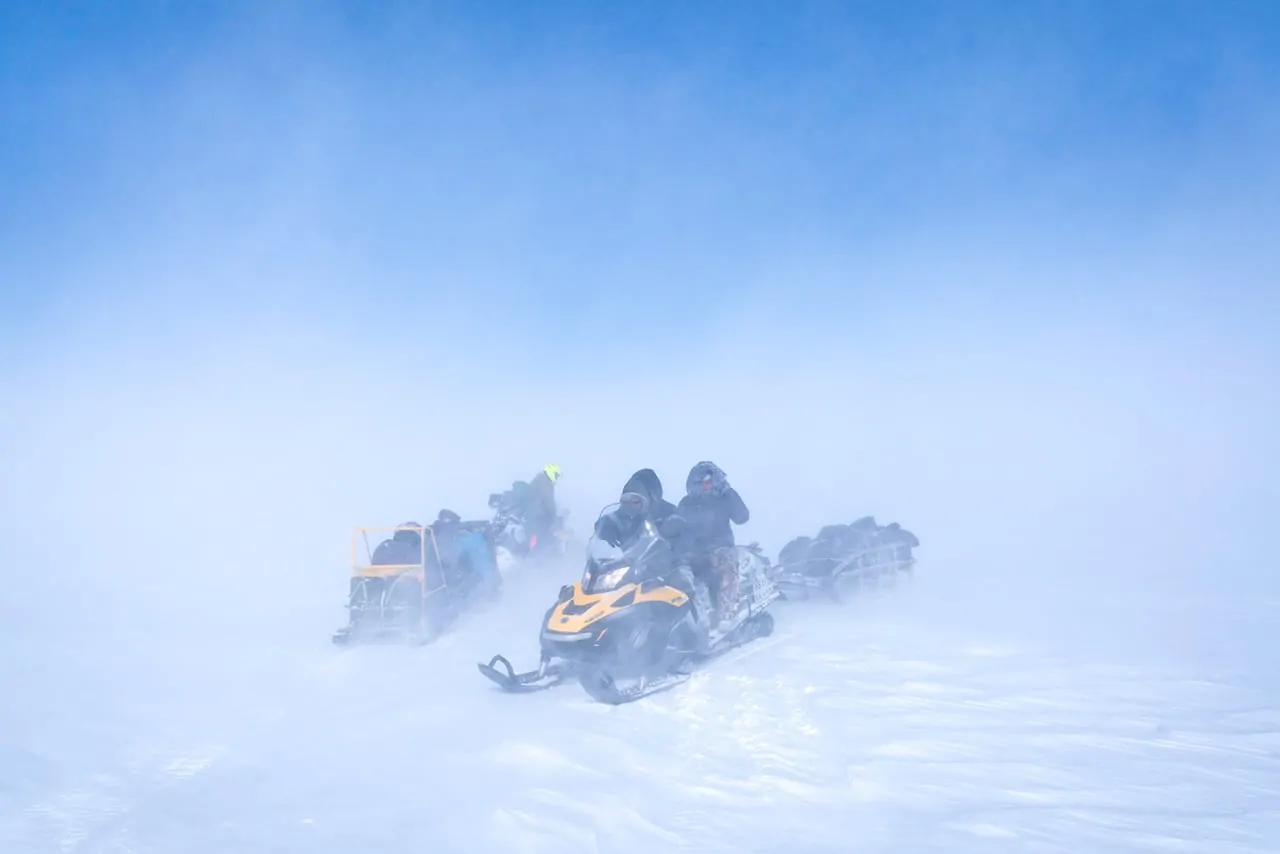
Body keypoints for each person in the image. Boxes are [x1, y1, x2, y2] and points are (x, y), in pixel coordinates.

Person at [675, 461, 751, 640]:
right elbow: (677, 527)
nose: (706, 486)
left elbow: (742, 517)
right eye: (701, 483)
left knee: (725, 565)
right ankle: (687, 622)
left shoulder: (723, 499)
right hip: (693, 551)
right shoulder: (686, 503)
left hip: (720, 547)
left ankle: (728, 613)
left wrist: (728, 492)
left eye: (710, 482)